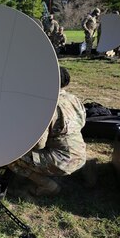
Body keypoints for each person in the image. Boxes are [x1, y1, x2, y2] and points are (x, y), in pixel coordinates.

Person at [8, 67, 87, 196]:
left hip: (62, 161)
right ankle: (87, 170)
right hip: (80, 153)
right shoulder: (74, 99)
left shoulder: (48, 106)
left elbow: (39, 144)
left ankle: (48, 186)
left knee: (12, 157)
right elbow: (82, 123)